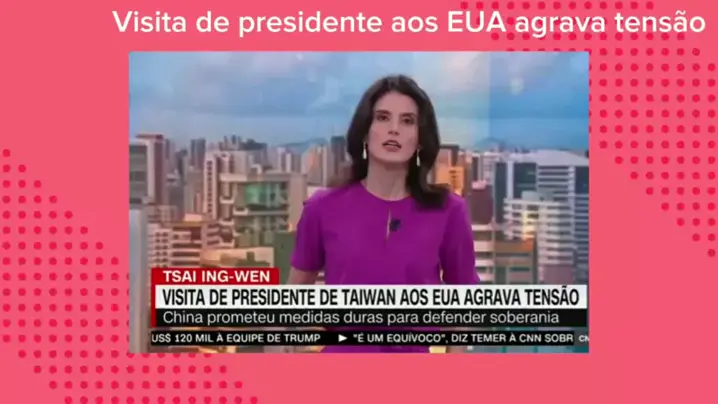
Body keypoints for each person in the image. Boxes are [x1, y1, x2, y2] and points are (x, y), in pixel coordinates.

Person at [270, 75, 478, 353]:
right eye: (382, 118)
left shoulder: (449, 211)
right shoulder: (323, 207)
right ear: (365, 133)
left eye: (407, 121)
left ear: (420, 140)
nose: (394, 129)